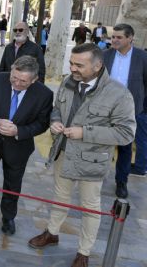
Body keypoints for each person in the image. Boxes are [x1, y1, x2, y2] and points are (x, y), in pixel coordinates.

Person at [28, 43, 135, 267]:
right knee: (60, 197)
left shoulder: (119, 94)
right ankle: (52, 233)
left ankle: (84, 252)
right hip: (64, 153)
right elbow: (57, 108)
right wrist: (55, 121)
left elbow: (125, 133)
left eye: (79, 65)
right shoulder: (67, 82)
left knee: (89, 207)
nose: (73, 69)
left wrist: (85, 132)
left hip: (92, 162)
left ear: (97, 66)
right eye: (71, 63)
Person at [0, 56, 53, 236]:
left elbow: (42, 123)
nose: (17, 83)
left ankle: (8, 217)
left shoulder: (44, 94)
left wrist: (19, 131)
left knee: (12, 183)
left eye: (23, 81)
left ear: (34, 79)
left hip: (18, 146)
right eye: (14, 78)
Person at [103, 23, 147, 198]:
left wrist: (142, 109)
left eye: (119, 37)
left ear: (130, 38)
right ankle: (95, 179)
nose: (114, 40)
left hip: (130, 111)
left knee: (125, 147)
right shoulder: (104, 56)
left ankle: (121, 182)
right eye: (113, 36)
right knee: (102, 145)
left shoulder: (142, 57)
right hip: (104, 109)